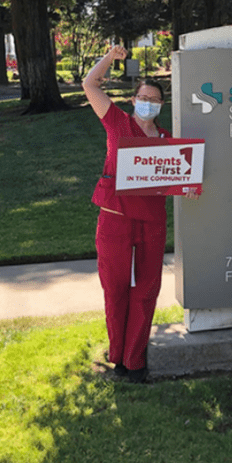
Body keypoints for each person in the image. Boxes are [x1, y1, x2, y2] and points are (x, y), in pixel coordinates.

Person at [83, 46, 195, 384]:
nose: (148, 102)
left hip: (151, 221)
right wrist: (109, 57)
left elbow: (180, 175)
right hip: (115, 217)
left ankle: (135, 359)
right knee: (115, 287)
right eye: (143, 96)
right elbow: (90, 85)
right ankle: (117, 355)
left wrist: (188, 185)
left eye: (154, 99)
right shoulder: (117, 121)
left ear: (161, 105)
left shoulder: (167, 141)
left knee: (146, 289)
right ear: (134, 100)